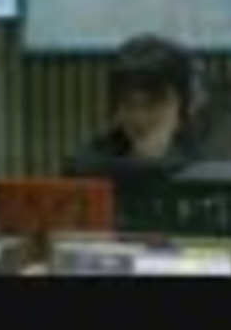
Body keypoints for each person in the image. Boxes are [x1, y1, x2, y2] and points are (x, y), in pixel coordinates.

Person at [65, 34, 200, 229]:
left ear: (184, 106)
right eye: (128, 104)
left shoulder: (212, 161)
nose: (139, 118)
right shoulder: (87, 166)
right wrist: (144, 162)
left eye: (153, 104)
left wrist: (156, 162)